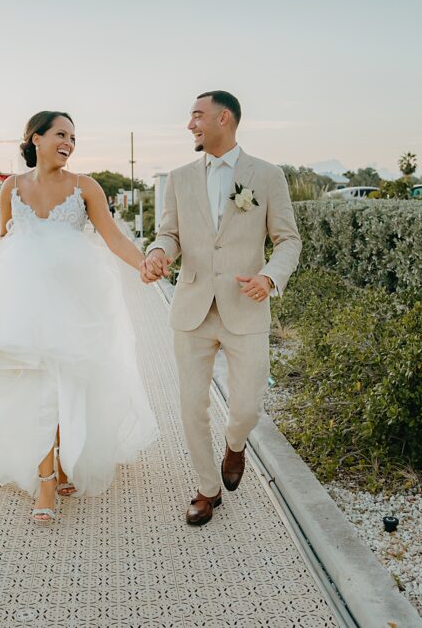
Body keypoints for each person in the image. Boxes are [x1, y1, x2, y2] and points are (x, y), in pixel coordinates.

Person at [0, 111, 158, 523]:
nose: (69, 142)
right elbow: (3, 243)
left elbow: (114, 237)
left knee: (66, 382)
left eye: (73, 136)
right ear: (35, 138)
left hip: (74, 299)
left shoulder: (86, 188)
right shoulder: (11, 188)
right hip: (21, 302)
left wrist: (144, 265)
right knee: (37, 385)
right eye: (60, 134)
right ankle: (46, 477)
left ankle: (64, 462)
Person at [141, 91, 301, 526]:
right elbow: (168, 233)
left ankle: (235, 443)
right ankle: (207, 488)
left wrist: (269, 278)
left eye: (197, 115)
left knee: (247, 407)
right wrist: (158, 254)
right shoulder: (178, 177)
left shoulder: (266, 176)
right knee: (192, 406)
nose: (190, 124)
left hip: (245, 308)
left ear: (223, 119)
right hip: (191, 307)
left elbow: (288, 240)